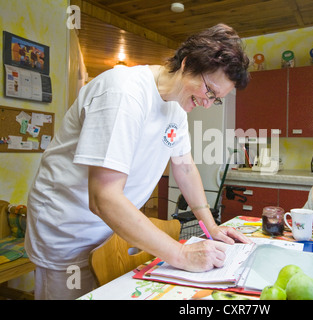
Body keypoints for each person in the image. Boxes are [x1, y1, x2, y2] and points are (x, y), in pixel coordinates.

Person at [25, 24, 251, 300]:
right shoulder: (124, 94)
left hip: (111, 233)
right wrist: (180, 254)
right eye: (209, 90)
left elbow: (184, 167)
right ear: (187, 63)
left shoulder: (177, 107)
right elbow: (103, 198)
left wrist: (211, 227)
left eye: (215, 100)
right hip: (69, 233)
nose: (207, 103)